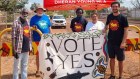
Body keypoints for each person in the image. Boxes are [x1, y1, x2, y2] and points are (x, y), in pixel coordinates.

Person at [104, 2, 129, 79]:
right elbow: (106, 25)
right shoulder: (109, 16)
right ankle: (112, 75)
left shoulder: (123, 17)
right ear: (111, 7)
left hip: (119, 43)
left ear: (119, 7)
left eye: (116, 6)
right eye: (113, 7)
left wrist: (123, 42)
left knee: (120, 60)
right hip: (110, 42)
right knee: (112, 59)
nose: (114, 8)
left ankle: (120, 76)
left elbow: (126, 30)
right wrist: (104, 30)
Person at [30, 4, 51, 77]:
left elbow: (49, 28)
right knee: (38, 56)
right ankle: (38, 70)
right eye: (39, 9)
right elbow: (31, 29)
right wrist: (33, 27)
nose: (40, 11)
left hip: (46, 40)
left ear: (43, 10)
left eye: (41, 9)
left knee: (47, 55)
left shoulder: (46, 18)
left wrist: (50, 37)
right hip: (37, 40)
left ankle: (45, 70)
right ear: (37, 10)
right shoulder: (33, 19)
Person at [12, 8, 32, 79]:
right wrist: (14, 50)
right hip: (18, 49)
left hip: (26, 48)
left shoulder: (28, 22)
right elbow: (13, 37)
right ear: (21, 13)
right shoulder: (16, 22)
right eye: (24, 13)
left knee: (24, 66)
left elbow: (28, 34)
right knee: (16, 67)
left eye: (26, 13)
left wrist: (30, 47)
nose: (25, 14)